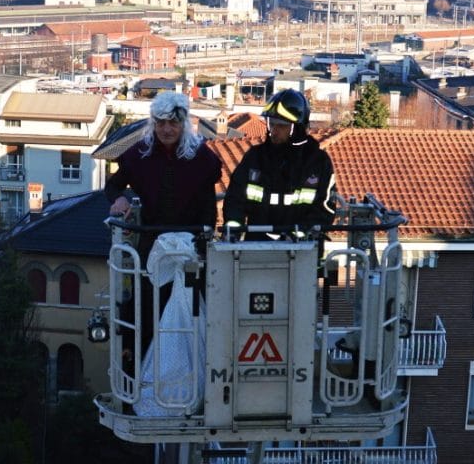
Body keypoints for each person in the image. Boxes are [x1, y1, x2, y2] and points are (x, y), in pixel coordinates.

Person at [104, 91, 221, 360]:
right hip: (151, 242)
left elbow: (207, 207)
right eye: (161, 123)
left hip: (191, 245)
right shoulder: (140, 154)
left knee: (193, 307)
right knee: (147, 305)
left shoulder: (201, 157)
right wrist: (119, 198)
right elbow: (113, 185)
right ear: (153, 123)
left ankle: (192, 370)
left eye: (173, 123)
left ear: (184, 124)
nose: (167, 129)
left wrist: (203, 243)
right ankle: (142, 367)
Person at [223, 88, 336, 238]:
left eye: (281, 126)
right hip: (256, 245)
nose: (274, 131)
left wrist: (301, 233)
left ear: (298, 128)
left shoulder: (318, 162)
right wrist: (233, 229)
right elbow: (235, 199)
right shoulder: (255, 157)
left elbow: (325, 209)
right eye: (272, 124)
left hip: (302, 250)